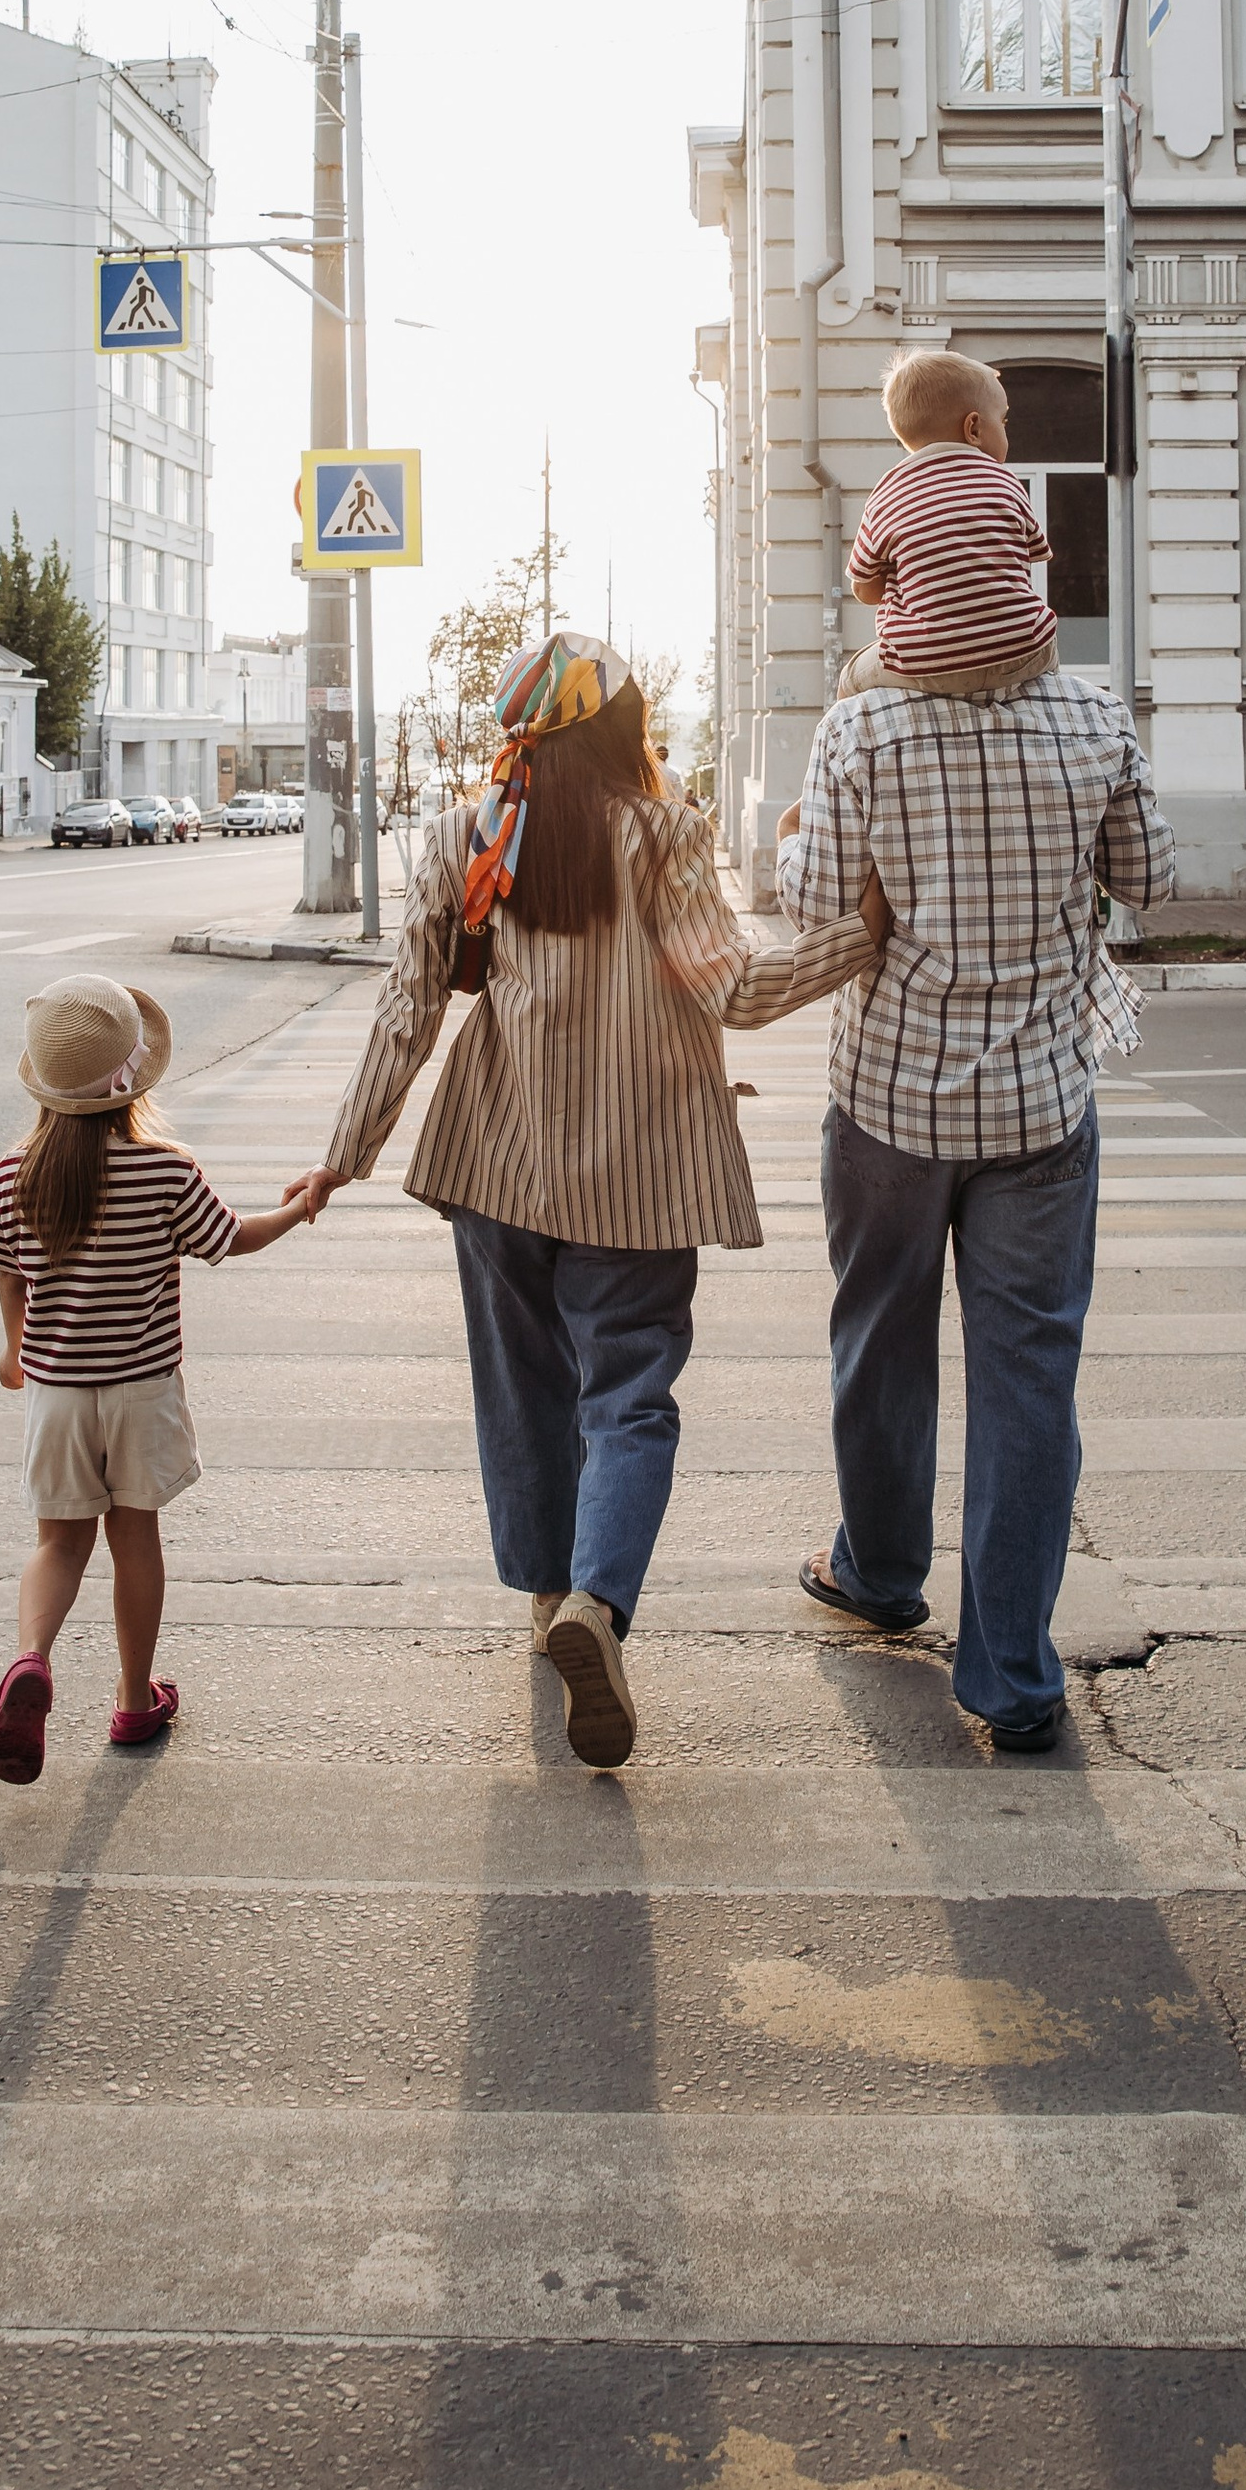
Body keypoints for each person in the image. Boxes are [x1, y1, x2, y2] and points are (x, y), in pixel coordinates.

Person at [294, 634, 878, 1770]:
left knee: (521, 1394)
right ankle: (598, 1610)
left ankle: (546, 1598)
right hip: (639, 1177)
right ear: (623, 730)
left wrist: (342, 1155)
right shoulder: (663, 833)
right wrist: (865, 933)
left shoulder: (468, 836)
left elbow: (407, 1008)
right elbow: (742, 990)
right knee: (629, 1397)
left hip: (496, 1165)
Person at [779, 510, 1173, 1755]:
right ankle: (1009, 1676)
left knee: (879, 1340)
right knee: (1027, 1379)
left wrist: (814, 852)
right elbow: (1149, 878)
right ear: (1022, 581)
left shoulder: (861, 725)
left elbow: (809, 907)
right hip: (1042, 1104)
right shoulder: (1095, 714)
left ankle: (882, 1574)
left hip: (887, 1096)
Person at [0, 974, 317, 1786]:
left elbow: (6, 1272)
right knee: (135, 1543)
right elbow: (232, 1239)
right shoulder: (164, 1171)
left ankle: (31, 1661)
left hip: (57, 1395)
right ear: (133, 1079)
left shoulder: (12, 1174)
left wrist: (16, 1348)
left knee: (59, 1544)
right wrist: (300, 1206)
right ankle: (133, 1700)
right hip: (141, 1391)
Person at [834, 350, 1058, 698]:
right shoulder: (1006, 481)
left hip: (926, 664)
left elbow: (864, 590)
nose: (1006, 431)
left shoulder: (886, 494)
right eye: (1004, 422)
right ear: (973, 428)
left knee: (850, 679)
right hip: (1022, 653)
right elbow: (1026, 556)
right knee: (1047, 639)